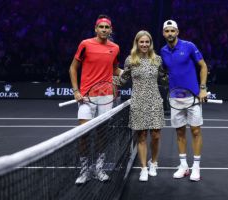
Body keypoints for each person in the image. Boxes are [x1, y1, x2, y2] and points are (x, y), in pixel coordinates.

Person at [69, 14, 123, 185]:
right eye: (101, 27)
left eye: (107, 27)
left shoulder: (115, 48)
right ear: (96, 28)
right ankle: (84, 170)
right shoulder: (85, 44)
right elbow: (73, 68)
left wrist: (131, 73)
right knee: (83, 134)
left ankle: (98, 168)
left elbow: (114, 69)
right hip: (86, 96)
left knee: (102, 134)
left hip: (106, 96)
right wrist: (76, 91)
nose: (104, 30)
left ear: (111, 30)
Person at [160, 20, 208, 181]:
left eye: (172, 31)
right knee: (179, 132)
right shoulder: (163, 51)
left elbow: (203, 66)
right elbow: (167, 72)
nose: (170, 34)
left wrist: (202, 88)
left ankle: (196, 167)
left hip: (193, 97)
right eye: (167, 31)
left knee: (195, 131)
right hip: (175, 98)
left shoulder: (189, 46)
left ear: (177, 32)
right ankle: (183, 166)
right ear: (163, 34)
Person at [120, 30, 164, 182]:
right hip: (138, 101)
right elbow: (123, 79)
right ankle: (143, 168)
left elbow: (165, 78)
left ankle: (154, 163)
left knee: (156, 135)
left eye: (147, 42)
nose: (144, 44)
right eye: (142, 42)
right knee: (142, 136)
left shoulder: (157, 59)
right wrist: (106, 78)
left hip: (155, 101)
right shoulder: (130, 60)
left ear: (150, 43)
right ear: (137, 43)